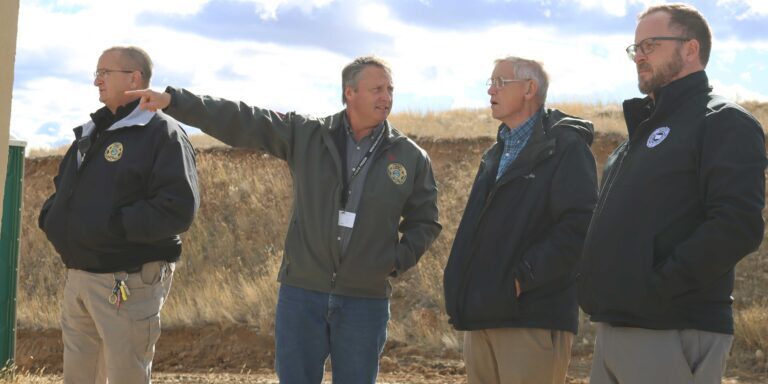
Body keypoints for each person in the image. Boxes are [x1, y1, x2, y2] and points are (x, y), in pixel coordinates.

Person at [127, 55, 441, 384]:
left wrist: (393, 262)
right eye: (377, 88)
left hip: (365, 299)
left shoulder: (409, 156)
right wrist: (176, 101)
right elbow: (244, 120)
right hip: (302, 293)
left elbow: (426, 221)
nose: (386, 97)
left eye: (390, 89)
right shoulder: (308, 134)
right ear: (350, 92)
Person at [578, 4, 766, 383]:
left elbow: (737, 225)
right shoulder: (636, 139)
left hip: (674, 328)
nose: (639, 56)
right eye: (636, 48)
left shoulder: (723, 121)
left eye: (650, 44)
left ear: (690, 48)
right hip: (616, 327)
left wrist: (655, 288)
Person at [38, 46, 200, 384]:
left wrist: (112, 227)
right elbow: (64, 187)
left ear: (135, 78)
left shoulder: (162, 133)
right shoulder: (90, 131)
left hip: (127, 280)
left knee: (126, 376)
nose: (96, 80)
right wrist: (53, 219)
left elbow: (177, 207)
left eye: (104, 72)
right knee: (79, 377)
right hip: (80, 277)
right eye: (96, 73)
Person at [443, 56, 598, 384]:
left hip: (532, 318)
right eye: (490, 82)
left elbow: (579, 228)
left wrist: (518, 280)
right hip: (484, 316)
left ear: (530, 88)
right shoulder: (495, 154)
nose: (490, 90)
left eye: (500, 82)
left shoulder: (565, 145)